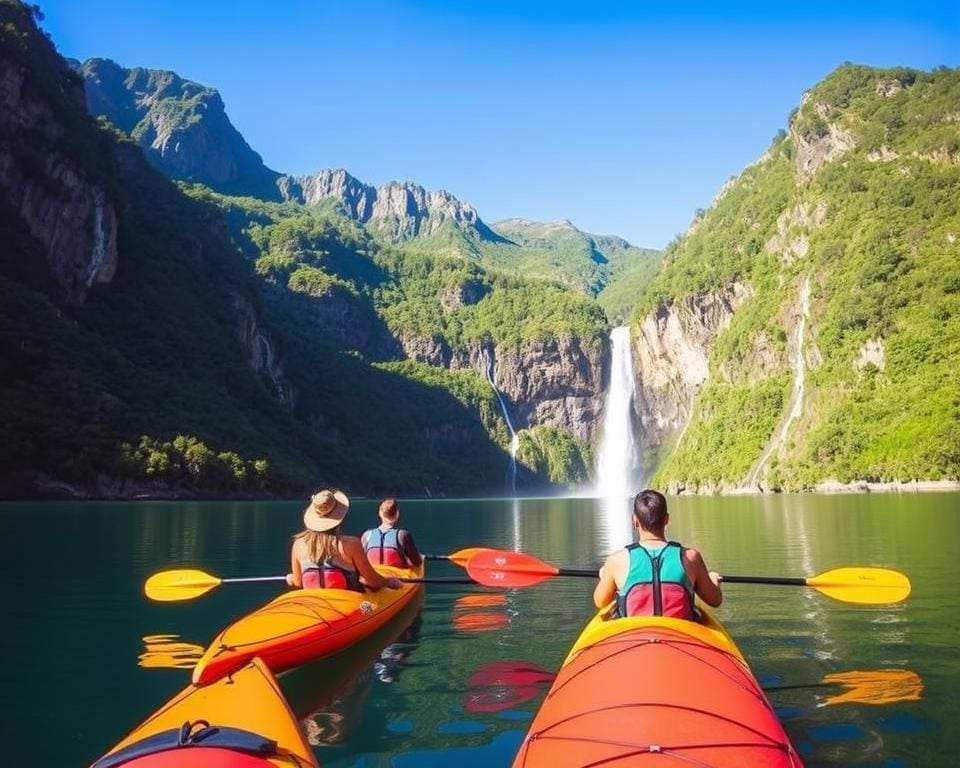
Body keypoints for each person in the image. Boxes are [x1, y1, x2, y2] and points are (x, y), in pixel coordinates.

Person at [593, 489, 722, 620]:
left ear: (635, 521)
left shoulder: (616, 561)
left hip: (637, 635)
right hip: (677, 634)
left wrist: (604, 576)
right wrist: (713, 580)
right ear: (666, 519)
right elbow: (715, 600)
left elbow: (600, 602)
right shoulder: (691, 557)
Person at [287, 489, 402, 591]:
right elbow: (373, 580)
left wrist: (290, 578)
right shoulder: (351, 544)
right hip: (348, 602)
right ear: (339, 517)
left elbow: (298, 583)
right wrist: (388, 582)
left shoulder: (298, 544)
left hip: (315, 602)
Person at [361, 498, 423, 568]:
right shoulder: (403, 535)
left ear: (380, 513)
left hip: (373, 578)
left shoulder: (367, 535)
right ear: (397, 514)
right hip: (398, 578)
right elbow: (417, 562)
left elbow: (362, 560)